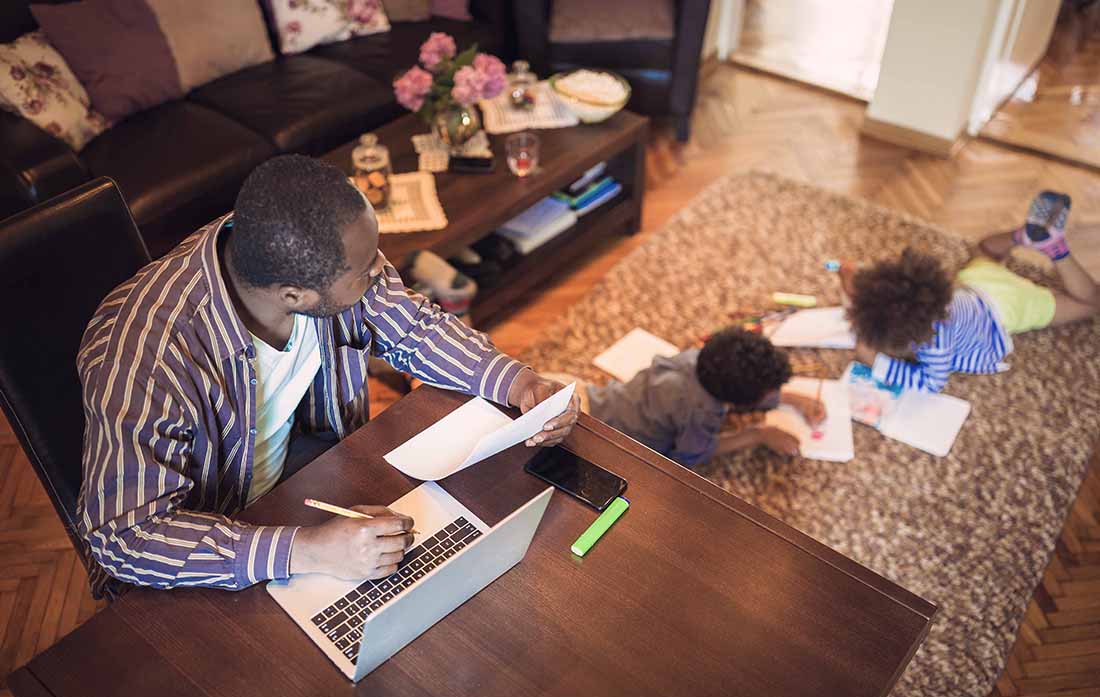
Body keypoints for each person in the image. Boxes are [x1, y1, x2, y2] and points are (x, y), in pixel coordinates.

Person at [77, 155, 579, 597]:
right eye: (363, 272)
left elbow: (415, 331)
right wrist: (310, 550)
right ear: (294, 296)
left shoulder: (299, 251)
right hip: (213, 547)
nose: (379, 271)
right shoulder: (145, 352)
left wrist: (517, 383)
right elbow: (124, 536)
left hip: (309, 479)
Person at [840, 190, 1099, 393]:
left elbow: (931, 383)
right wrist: (850, 278)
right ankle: (1024, 236)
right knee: (984, 250)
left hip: (1008, 306)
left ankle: (1055, 249)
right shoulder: (919, 296)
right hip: (975, 282)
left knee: (1089, 303)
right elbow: (872, 294)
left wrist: (876, 361)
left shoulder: (935, 344)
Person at [579, 328, 825, 466]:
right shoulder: (702, 411)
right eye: (769, 393)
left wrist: (791, 398)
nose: (775, 395)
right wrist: (758, 434)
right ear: (738, 402)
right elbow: (691, 455)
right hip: (604, 441)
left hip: (596, 398)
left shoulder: (697, 357)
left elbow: (740, 385)